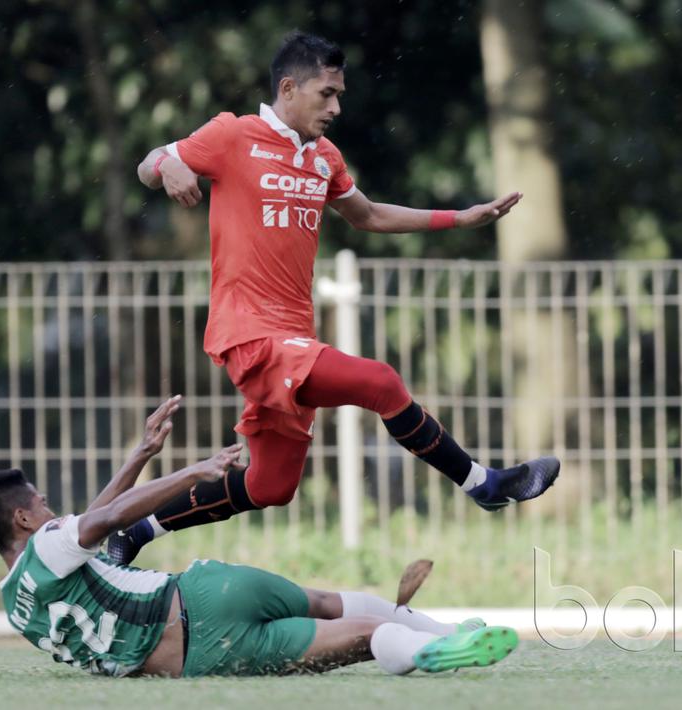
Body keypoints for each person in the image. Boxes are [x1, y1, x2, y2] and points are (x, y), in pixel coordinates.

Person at [121, 30, 558, 564]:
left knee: (270, 485)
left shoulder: (324, 156)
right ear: (288, 88)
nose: (336, 108)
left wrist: (460, 219)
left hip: (294, 341)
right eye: (326, 94)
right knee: (381, 382)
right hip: (250, 336)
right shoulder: (233, 135)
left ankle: (133, 532)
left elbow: (367, 215)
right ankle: (482, 483)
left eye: (340, 96)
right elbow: (149, 164)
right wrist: (168, 165)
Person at [0, 396, 518, 678]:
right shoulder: (50, 541)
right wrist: (191, 471)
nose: (50, 509)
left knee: (358, 638)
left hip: (198, 659)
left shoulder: (18, 604)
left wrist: (141, 455)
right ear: (22, 519)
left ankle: (434, 646)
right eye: (40, 502)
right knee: (328, 603)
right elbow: (104, 520)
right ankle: (441, 635)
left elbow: (94, 523)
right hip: (204, 596)